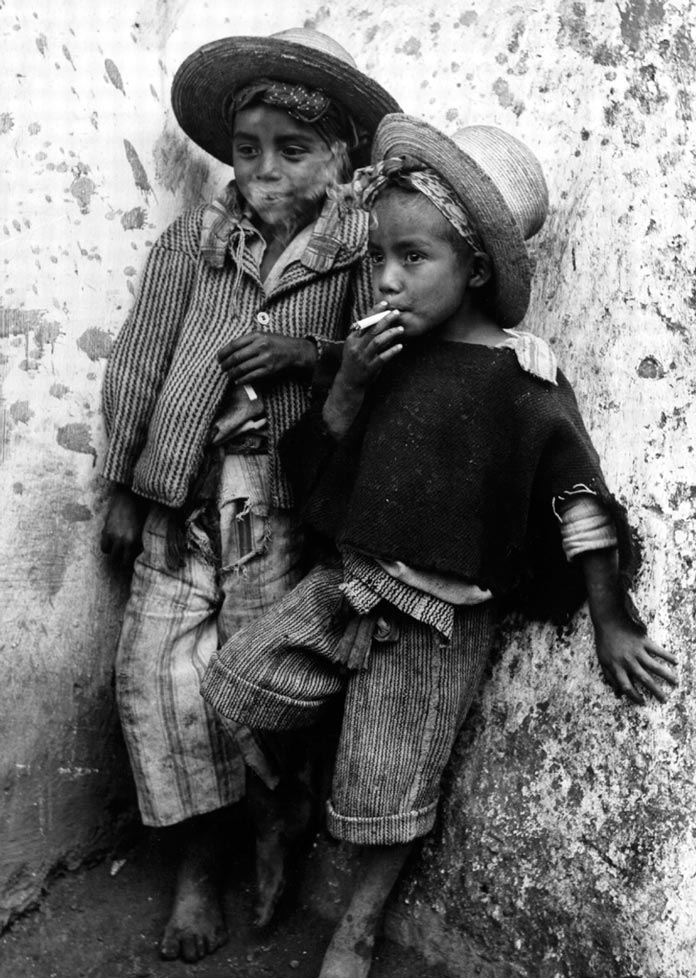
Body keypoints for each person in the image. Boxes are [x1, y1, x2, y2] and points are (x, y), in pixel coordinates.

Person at [200, 113, 679, 978]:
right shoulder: (379, 356)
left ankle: (359, 924)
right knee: (235, 687)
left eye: (412, 259)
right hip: (347, 583)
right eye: (380, 256)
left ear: (477, 268)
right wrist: (343, 381)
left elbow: (578, 498)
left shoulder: (519, 377)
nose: (386, 279)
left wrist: (613, 617)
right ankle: (284, 808)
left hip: (432, 622)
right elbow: (315, 485)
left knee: (388, 790)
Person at [99, 27, 400, 963]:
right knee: (155, 682)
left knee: (256, 692)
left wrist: (305, 357)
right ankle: (195, 870)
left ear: (342, 157)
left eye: (293, 150)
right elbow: (141, 360)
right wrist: (121, 481)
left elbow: (387, 369)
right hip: (181, 505)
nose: (264, 169)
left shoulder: (363, 251)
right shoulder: (198, 240)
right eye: (247, 149)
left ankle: (271, 826)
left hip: (277, 516)